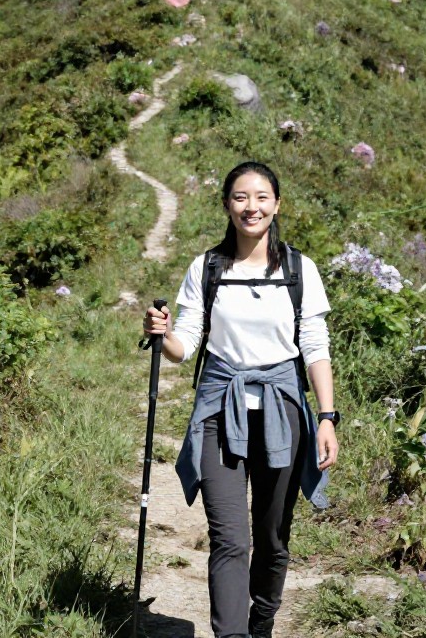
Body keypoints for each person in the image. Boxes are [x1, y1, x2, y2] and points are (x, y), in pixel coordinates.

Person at [143, 161, 339, 638]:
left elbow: (315, 347)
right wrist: (162, 334)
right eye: (240, 197)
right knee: (230, 539)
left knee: (272, 541)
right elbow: (184, 346)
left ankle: (262, 623)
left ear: (276, 204)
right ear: (227, 204)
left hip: (283, 412)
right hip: (218, 412)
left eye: (261, 197)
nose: (251, 207)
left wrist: (327, 417)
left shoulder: (298, 269)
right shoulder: (206, 268)